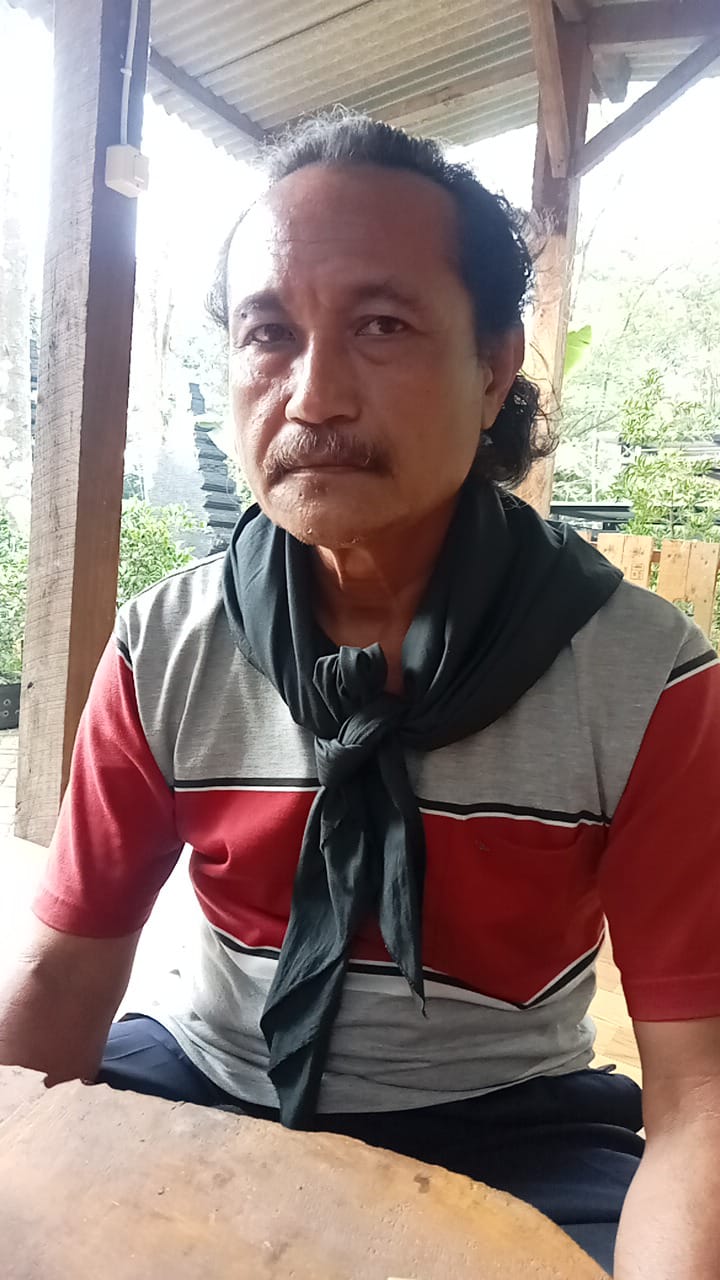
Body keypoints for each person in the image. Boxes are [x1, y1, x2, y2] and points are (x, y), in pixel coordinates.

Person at [1, 114, 719, 1278]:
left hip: (515, 1132)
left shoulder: (645, 678)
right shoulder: (167, 645)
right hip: (204, 1083)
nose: (315, 396)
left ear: (493, 368)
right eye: (268, 333)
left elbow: (701, 1094)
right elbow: (63, 973)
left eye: (382, 325)